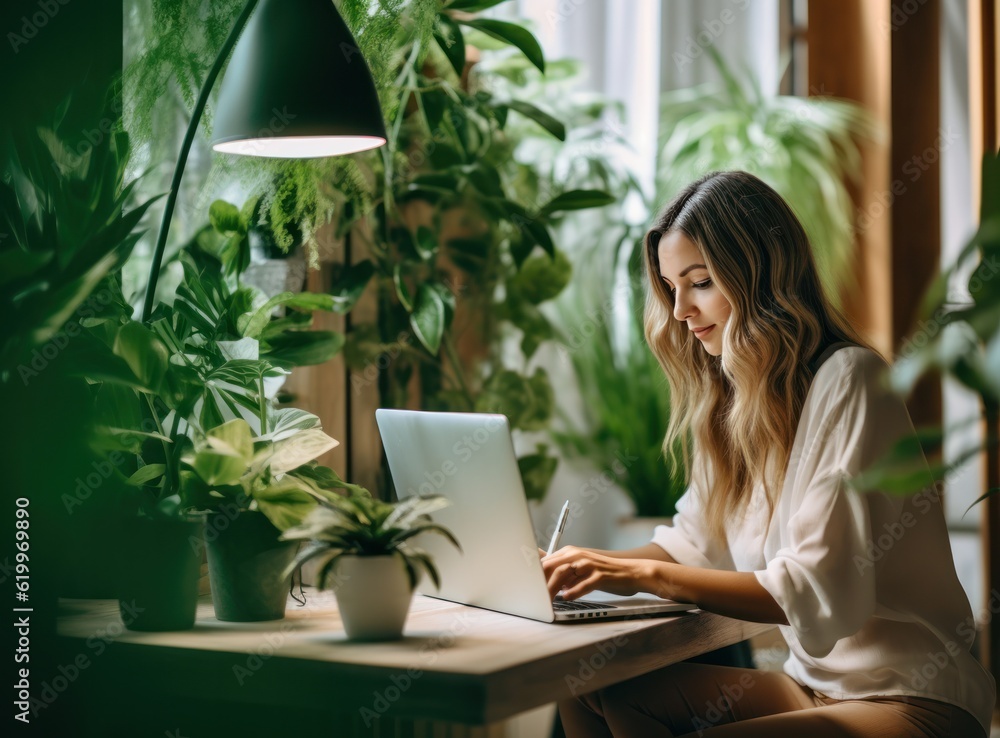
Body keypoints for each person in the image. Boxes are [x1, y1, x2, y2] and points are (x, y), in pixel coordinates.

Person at [541, 171, 995, 737]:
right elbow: (695, 545)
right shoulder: (732, 401)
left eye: (700, 281)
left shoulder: (850, 378)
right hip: (811, 686)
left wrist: (643, 574)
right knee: (589, 689)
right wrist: (577, 566)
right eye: (669, 287)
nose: (680, 310)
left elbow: (818, 588)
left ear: (760, 273)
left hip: (910, 697)